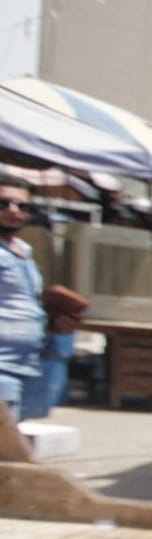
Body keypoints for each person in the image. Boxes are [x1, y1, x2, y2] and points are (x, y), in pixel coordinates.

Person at [0, 173, 46, 420]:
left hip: (26, 364)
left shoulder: (23, 250)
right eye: (3, 203)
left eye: (21, 205)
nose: (13, 210)